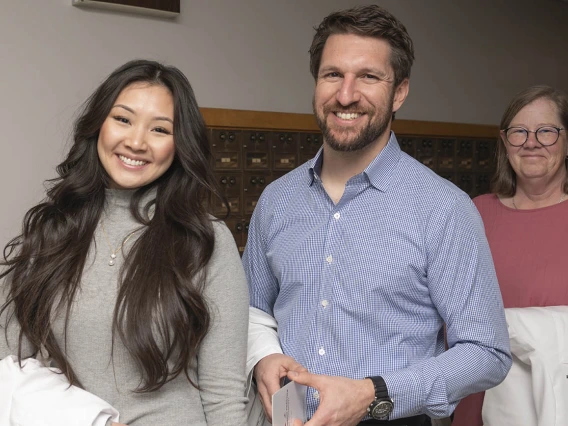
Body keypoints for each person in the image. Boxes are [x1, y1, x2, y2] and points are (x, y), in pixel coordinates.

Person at [243, 5, 511, 426]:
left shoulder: (443, 208)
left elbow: (487, 352)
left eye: (368, 77)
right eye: (333, 74)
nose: (346, 95)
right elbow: (254, 311)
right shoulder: (277, 199)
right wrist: (262, 358)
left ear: (399, 91)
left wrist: (373, 394)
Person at [0, 59, 249, 425]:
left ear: (180, 145)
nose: (136, 142)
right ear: (98, 124)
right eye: (123, 119)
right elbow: (11, 367)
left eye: (160, 129)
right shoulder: (51, 231)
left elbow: (224, 394)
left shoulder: (205, 241)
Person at [454, 86, 568, 426]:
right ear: (505, 143)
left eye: (546, 131)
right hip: (479, 396)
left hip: (556, 402)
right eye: (519, 132)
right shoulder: (476, 212)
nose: (531, 142)